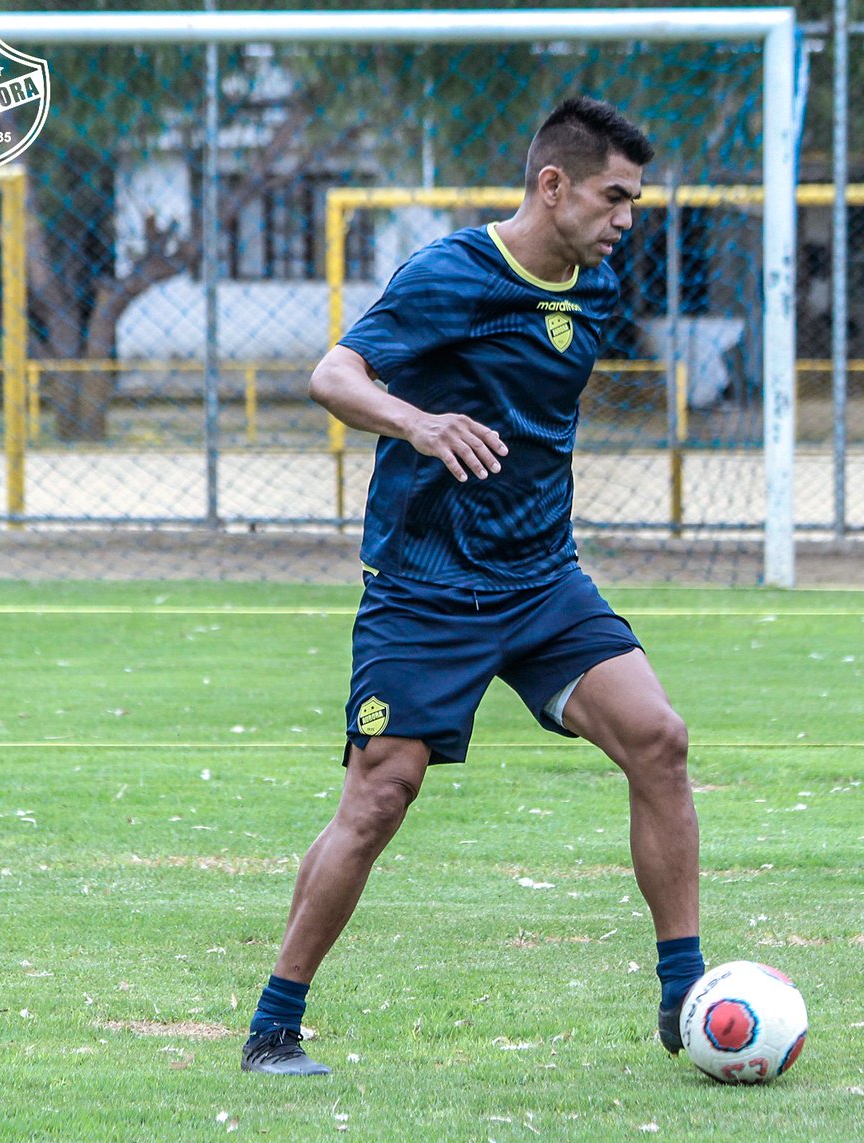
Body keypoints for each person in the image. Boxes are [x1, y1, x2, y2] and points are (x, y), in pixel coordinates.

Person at [241, 98, 705, 1076]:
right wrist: (418, 423)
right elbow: (333, 375)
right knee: (380, 795)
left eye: (633, 202)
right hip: (428, 588)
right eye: (614, 198)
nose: (627, 219)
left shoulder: (598, 282)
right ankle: (275, 1024)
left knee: (659, 739)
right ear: (554, 186)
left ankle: (685, 994)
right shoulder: (453, 273)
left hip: (541, 581)